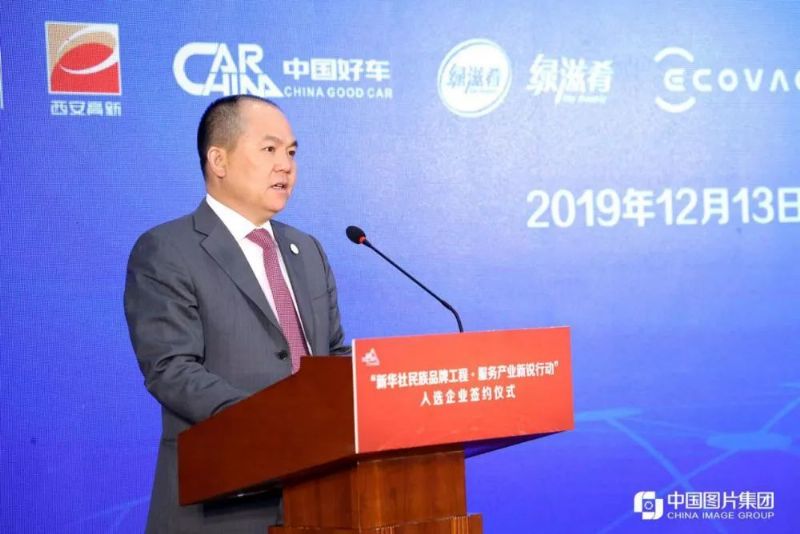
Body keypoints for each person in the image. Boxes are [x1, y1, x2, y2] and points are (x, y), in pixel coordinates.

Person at [124, 95, 350, 533]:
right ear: (219, 160)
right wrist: (272, 423)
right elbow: (171, 369)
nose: (285, 166)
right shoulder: (168, 250)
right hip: (221, 500)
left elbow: (333, 354)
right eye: (269, 149)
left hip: (317, 495)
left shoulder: (307, 250)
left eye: (291, 152)